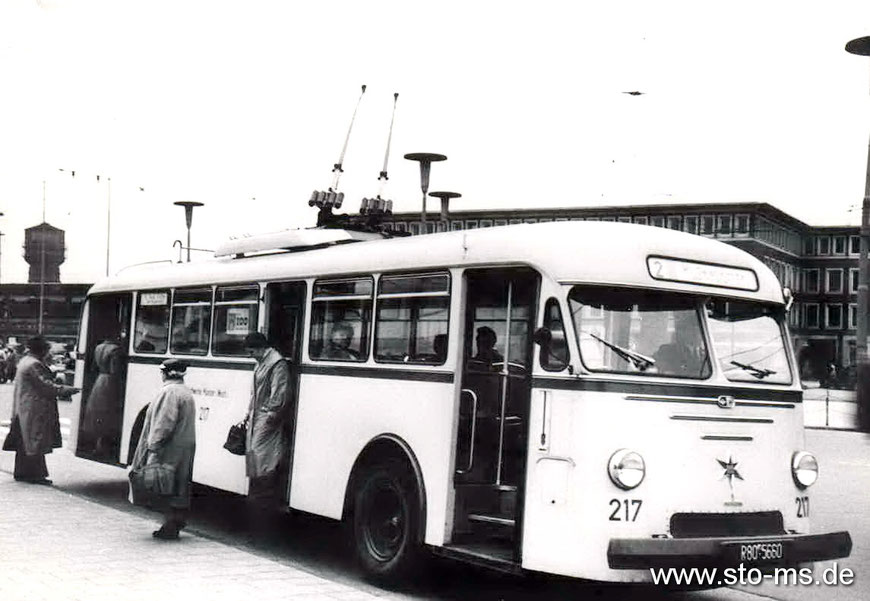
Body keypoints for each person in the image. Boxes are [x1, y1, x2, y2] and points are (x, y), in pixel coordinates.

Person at [129, 358, 196, 540]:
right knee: (179, 486)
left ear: (166, 373)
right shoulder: (184, 391)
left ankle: (170, 526)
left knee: (166, 485)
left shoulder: (169, 392)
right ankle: (176, 522)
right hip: (183, 447)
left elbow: (163, 424)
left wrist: (153, 447)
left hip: (169, 448)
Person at [7, 336, 79, 485]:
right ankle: (35, 475)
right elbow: (46, 386)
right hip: (35, 408)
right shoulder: (35, 364)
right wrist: (68, 390)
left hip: (25, 407)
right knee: (35, 441)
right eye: (47, 350)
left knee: (25, 442)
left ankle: (22, 472)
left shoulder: (25, 361)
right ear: (42, 350)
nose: (49, 353)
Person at [242, 332, 292, 538]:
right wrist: (248, 412)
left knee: (262, 459)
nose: (251, 355)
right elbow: (255, 392)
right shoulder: (263, 361)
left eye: (252, 351)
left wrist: (269, 417)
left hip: (266, 420)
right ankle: (255, 504)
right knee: (254, 457)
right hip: (257, 417)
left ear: (261, 347)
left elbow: (279, 394)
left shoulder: (277, 364)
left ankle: (262, 510)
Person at [82, 336, 126, 456]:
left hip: (99, 380)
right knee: (108, 413)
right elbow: (114, 369)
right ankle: (102, 446)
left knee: (97, 413)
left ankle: (97, 444)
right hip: (110, 382)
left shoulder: (98, 347)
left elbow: (93, 367)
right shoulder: (115, 349)